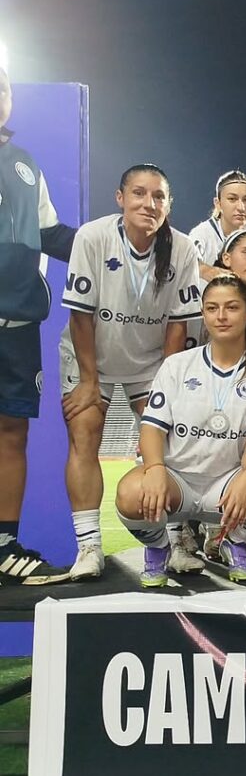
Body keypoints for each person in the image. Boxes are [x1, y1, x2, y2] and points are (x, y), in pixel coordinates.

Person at [60, 164, 201, 580]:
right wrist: (89, 381)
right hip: (92, 357)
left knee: (170, 443)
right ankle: (89, 548)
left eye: (158, 196)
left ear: (169, 204)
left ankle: (176, 541)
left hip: (150, 361)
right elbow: (80, 315)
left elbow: (178, 324)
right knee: (84, 434)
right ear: (120, 198)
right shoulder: (93, 236)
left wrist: (167, 386)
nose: (149, 203)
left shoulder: (182, 247)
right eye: (139, 193)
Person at [115, 276, 246, 585]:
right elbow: (152, 428)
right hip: (177, 482)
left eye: (231, 307)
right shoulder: (177, 365)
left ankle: (235, 541)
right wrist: (155, 468)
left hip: (227, 483)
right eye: (212, 308)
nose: (221, 316)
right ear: (204, 314)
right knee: (130, 494)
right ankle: (159, 547)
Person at [0, 52, 78, 585]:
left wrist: (113, 239)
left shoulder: (24, 164)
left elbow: (51, 234)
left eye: (3, 89)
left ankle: (3, 545)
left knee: (11, 434)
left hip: (18, 325)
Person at [171, 225, 246, 571]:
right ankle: (176, 538)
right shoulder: (197, 289)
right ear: (226, 258)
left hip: (236, 380)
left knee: (231, 454)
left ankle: (219, 531)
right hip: (191, 378)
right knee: (180, 454)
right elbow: (178, 337)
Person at [188, 170, 246, 284]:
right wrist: (205, 270)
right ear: (218, 204)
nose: (241, 207)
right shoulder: (202, 233)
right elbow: (186, 261)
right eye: (232, 199)